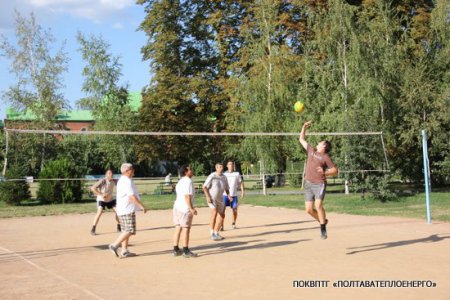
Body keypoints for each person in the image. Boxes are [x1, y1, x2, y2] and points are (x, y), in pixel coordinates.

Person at [299, 121, 338, 239]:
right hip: (308, 184)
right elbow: (301, 139)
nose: (318, 142)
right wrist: (304, 127)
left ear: (324, 146)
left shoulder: (325, 157)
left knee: (318, 205)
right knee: (309, 210)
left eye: (320, 142)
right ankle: (323, 221)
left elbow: (335, 170)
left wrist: (325, 172)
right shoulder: (311, 150)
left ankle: (323, 229)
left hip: (319, 184)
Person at [109, 163, 148, 258]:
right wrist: (141, 206)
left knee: (125, 230)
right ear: (127, 171)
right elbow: (131, 196)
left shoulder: (124, 180)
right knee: (130, 230)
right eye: (132, 169)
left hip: (123, 209)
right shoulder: (126, 181)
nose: (133, 170)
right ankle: (114, 245)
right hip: (126, 209)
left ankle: (124, 250)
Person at [172, 164, 198, 258]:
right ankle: (185, 250)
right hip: (185, 209)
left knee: (178, 227)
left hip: (177, 207)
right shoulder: (188, 181)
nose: (192, 170)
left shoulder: (180, 181)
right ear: (186, 172)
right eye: (190, 169)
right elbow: (187, 196)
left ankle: (175, 249)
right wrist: (191, 208)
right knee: (186, 228)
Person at [203, 162, 231, 241]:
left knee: (222, 215)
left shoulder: (224, 177)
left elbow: (226, 188)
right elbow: (204, 187)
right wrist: (208, 196)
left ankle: (216, 232)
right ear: (216, 168)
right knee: (214, 211)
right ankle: (211, 233)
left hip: (220, 199)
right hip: (212, 198)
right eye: (219, 167)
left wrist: (228, 195)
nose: (221, 168)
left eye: (222, 167)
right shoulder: (212, 176)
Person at [90, 169, 120, 235]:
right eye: (109, 173)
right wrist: (101, 194)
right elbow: (92, 188)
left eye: (111, 173)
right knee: (100, 211)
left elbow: (122, 184)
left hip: (110, 199)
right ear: (106, 175)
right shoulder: (103, 180)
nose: (111, 174)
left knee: (118, 211)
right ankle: (93, 229)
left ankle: (119, 227)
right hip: (102, 200)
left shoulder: (114, 181)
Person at [223, 160, 245, 230]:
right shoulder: (224, 174)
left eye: (232, 164)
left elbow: (241, 183)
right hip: (225, 195)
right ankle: (221, 224)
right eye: (229, 164)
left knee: (235, 210)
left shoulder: (237, 174)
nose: (231, 165)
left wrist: (242, 191)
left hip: (234, 195)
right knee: (222, 211)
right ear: (227, 166)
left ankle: (233, 223)